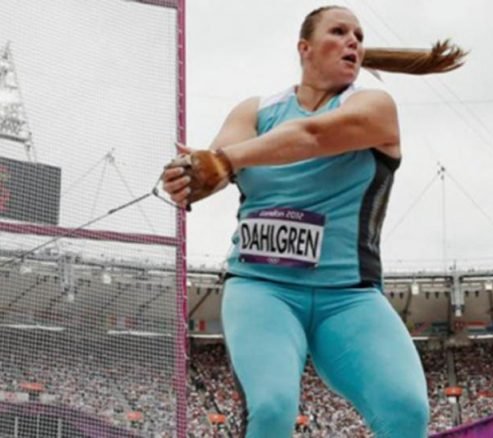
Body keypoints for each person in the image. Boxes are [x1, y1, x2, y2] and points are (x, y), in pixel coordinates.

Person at [162, 5, 465, 438]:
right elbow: (213, 170)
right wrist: (188, 176)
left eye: (359, 36)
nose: (353, 42)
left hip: (349, 298)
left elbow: (312, 136)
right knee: (271, 409)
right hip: (261, 289)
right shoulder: (255, 111)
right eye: (339, 32)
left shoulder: (375, 107)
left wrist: (228, 159)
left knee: (406, 411)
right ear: (304, 48)